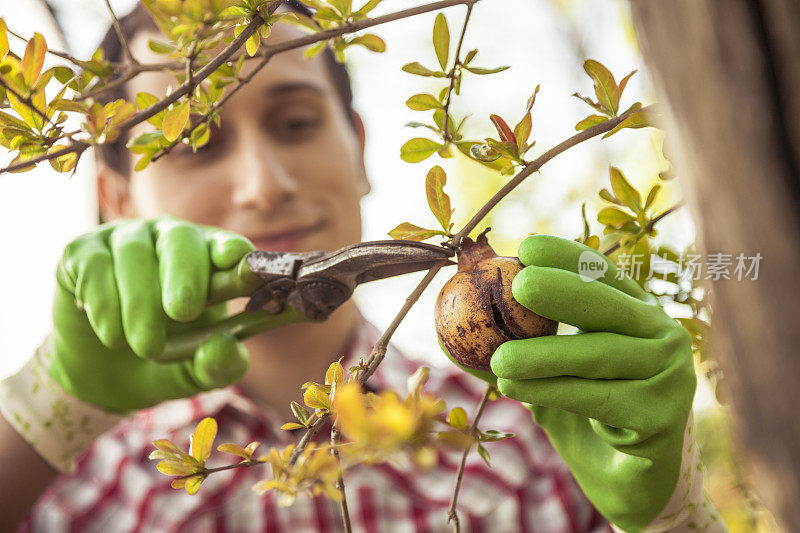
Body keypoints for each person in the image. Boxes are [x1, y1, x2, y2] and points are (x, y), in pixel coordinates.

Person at [0, 2, 724, 532]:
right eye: (196, 142)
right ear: (115, 197)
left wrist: (675, 515)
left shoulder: (531, 447)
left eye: (296, 124)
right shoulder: (67, 486)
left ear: (361, 147)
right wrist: (41, 412)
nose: (266, 182)